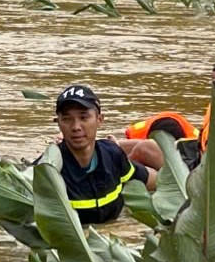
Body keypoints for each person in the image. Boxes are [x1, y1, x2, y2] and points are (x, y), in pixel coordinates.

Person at [50, 84, 157, 225]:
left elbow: (154, 181)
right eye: (67, 119)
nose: (76, 127)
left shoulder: (113, 155)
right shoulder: (48, 170)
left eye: (83, 118)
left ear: (99, 120)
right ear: (58, 123)